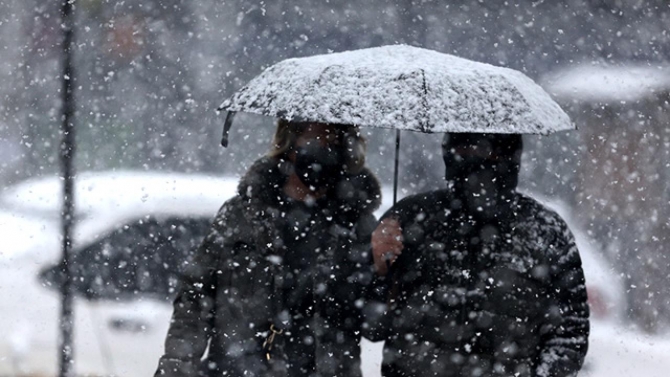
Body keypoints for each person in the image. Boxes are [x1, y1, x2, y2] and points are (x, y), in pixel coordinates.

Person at [155, 120, 381, 377]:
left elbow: (376, 326)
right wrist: (177, 366)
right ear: (289, 142)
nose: (326, 151)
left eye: (335, 143)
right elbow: (196, 297)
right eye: (317, 140)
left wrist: (383, 268)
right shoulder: (242, 215)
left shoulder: (358, 227)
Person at [364, 133, 589, 377]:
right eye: (466, 152)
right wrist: (377, 267)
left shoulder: (546, 232)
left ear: (511, 157)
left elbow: (569, 335)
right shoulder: (410, 219)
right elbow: (371, 327)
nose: (479, 164)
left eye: (492, 154)